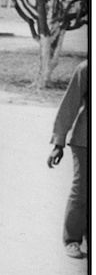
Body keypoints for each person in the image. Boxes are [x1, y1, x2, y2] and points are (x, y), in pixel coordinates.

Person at [47, 59, 88, 259]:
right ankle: (72, 239)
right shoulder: (86, 68)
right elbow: (69, 106)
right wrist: (59, 143)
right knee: (82, 190)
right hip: (86, 140)